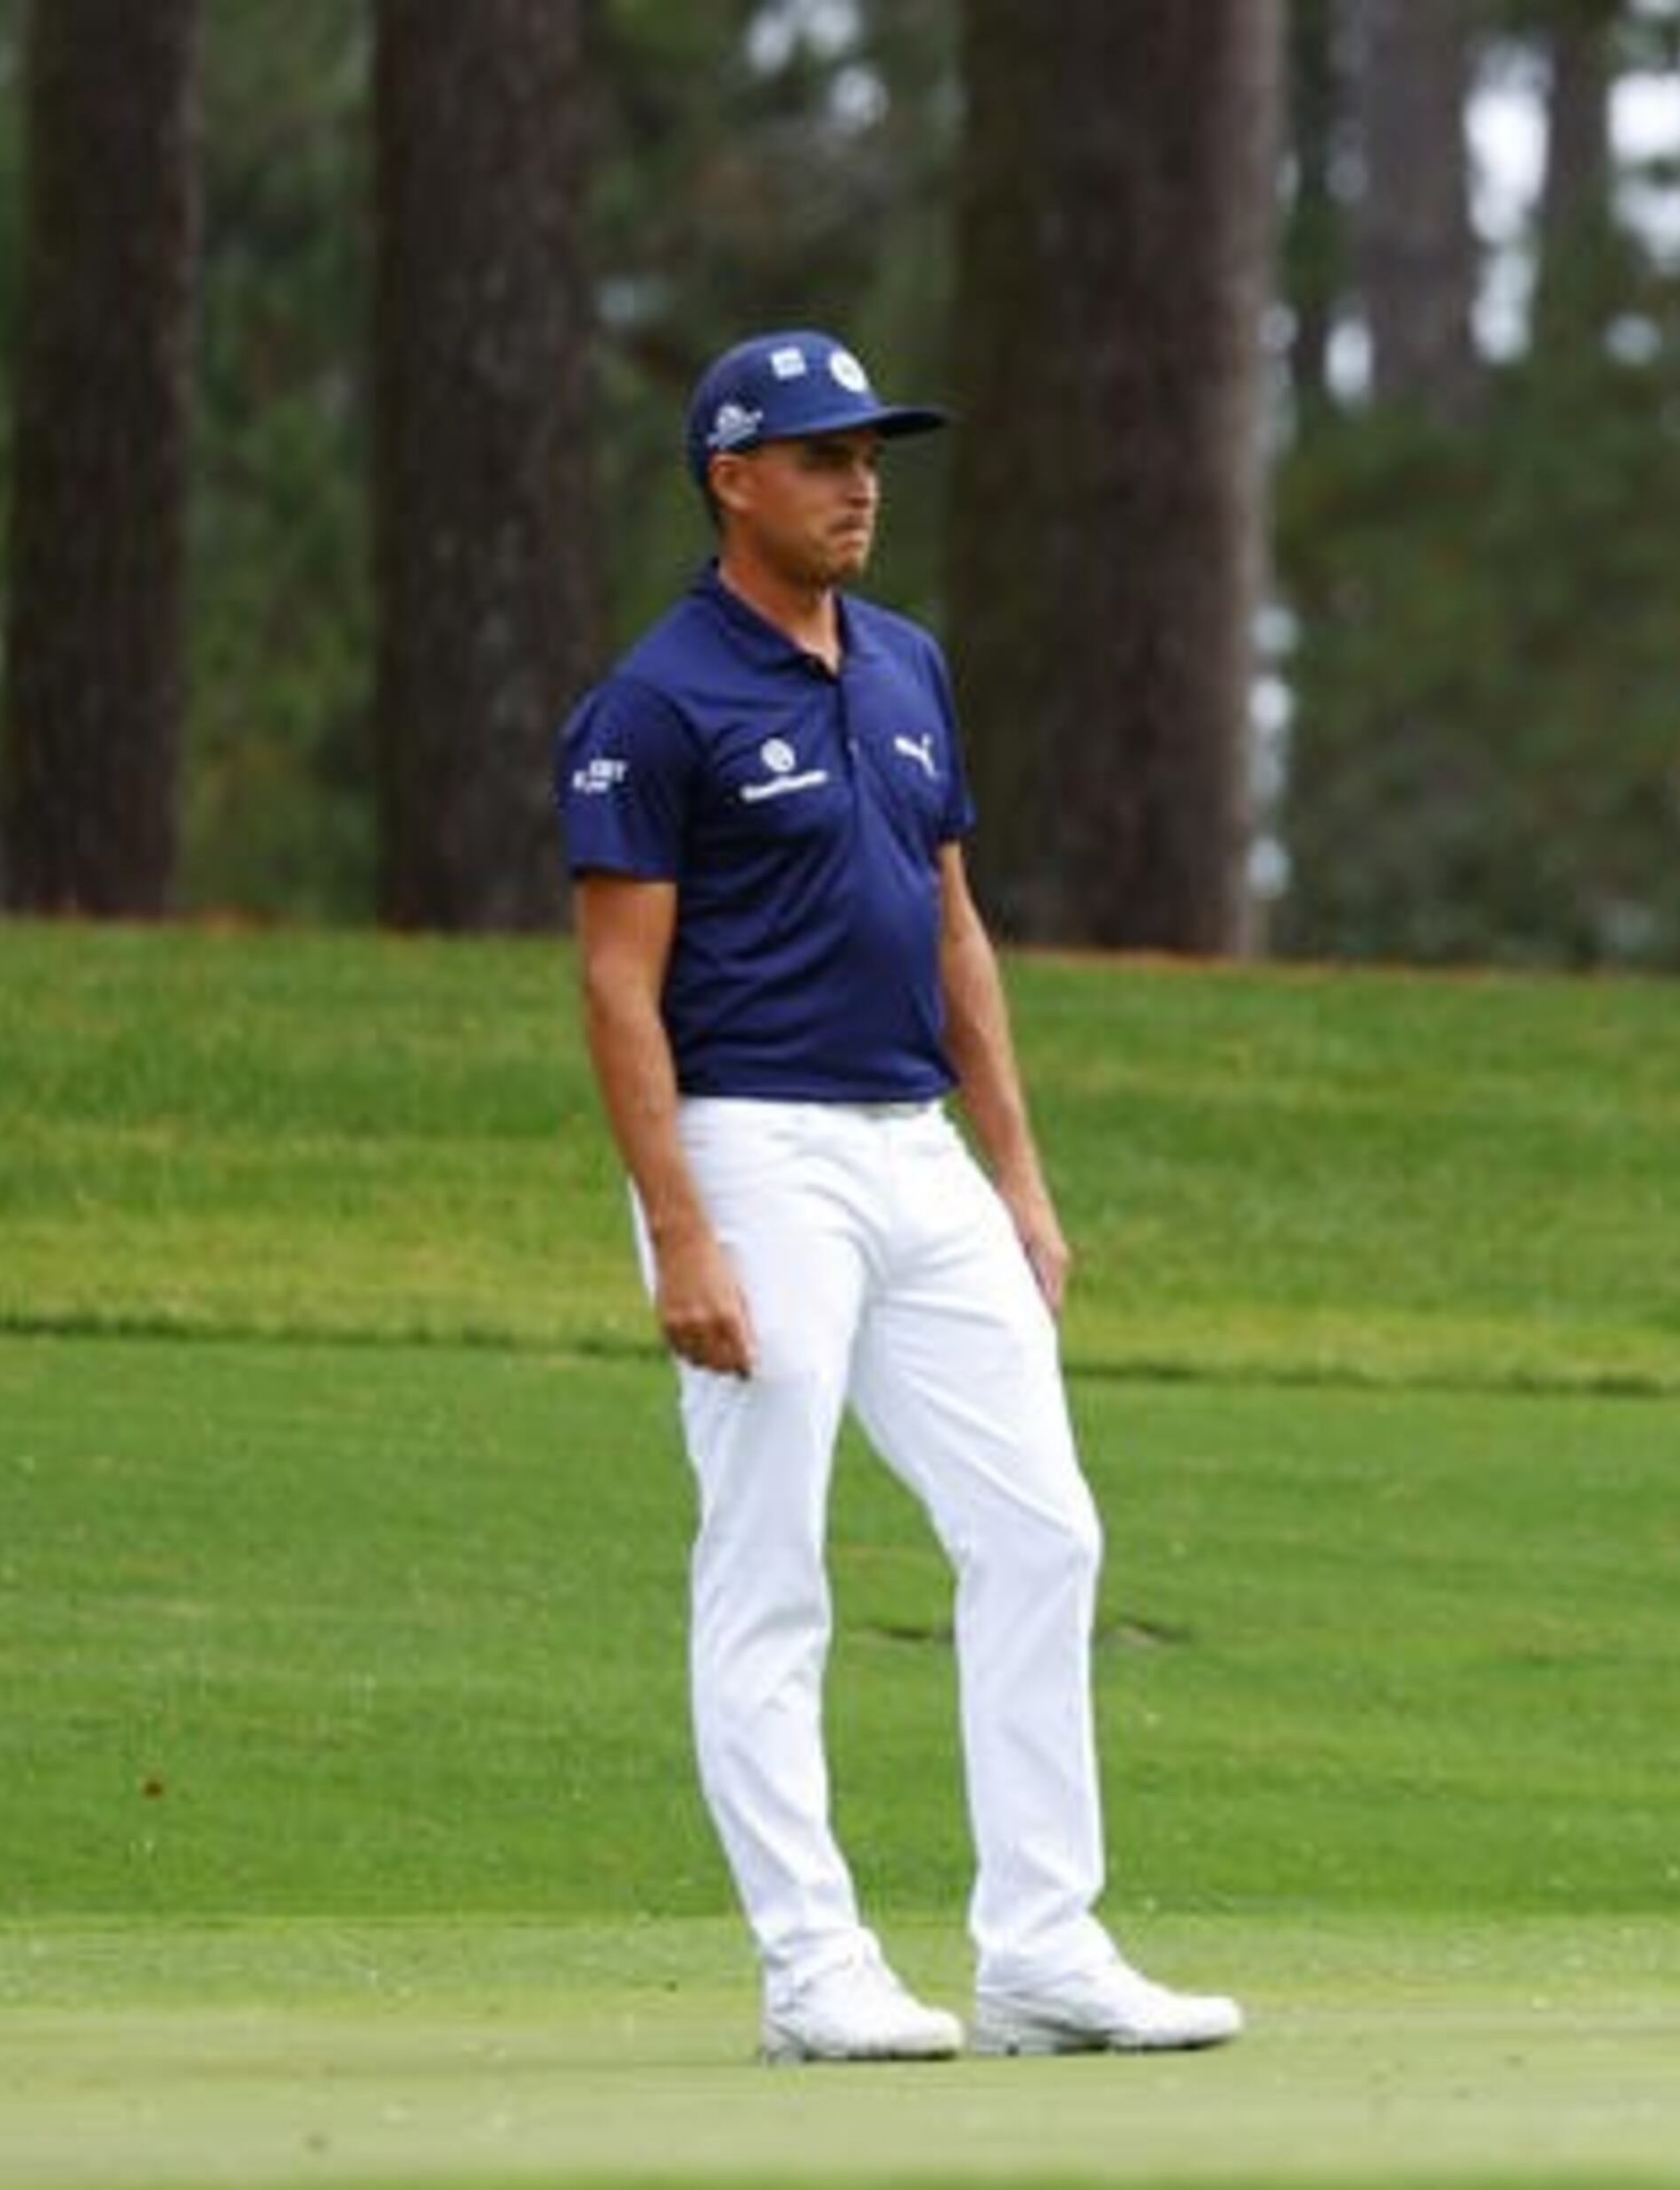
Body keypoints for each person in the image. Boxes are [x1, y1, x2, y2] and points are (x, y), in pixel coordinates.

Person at [555, 328, 1241, 2064]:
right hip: (746, 1147)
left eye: (872, 453)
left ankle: (1042, 1949)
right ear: (732, 478)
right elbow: (617, 989)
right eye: (820, 455)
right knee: (769, 1560)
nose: (861, 483)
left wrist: (1018, 1173)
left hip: (914, 1149)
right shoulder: (653, 704)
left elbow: (954, 933)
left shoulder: (908, 664)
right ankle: (814, 1967)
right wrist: (682, 1229)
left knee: (1042, 1529)